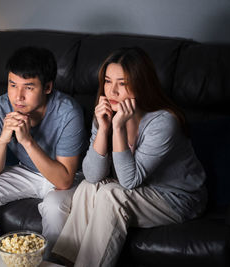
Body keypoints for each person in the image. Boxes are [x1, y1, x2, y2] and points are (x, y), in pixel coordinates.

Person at [52, 47, 208, 267]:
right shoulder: (105, 113)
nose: (112, 91)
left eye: (122, 83)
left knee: (110, 195)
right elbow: (93, 175)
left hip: (177, 198)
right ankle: (61, 263)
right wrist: (104, 128)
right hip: (138, 191)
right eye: (107, 81)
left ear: (141, 84)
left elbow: (129, 181)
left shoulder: (163, 122)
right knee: (88, 187)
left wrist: (118, 128)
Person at [0, 46, 86, 259]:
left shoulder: (68, 112)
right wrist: (3, 139)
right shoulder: (0, 107)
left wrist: (27, 142)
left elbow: (64, 180)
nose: (17, 96)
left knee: (54, 206)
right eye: (12, 85)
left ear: (47, 87)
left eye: (28, 87)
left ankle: (50, 263)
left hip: (65, 175)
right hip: (25, 171)